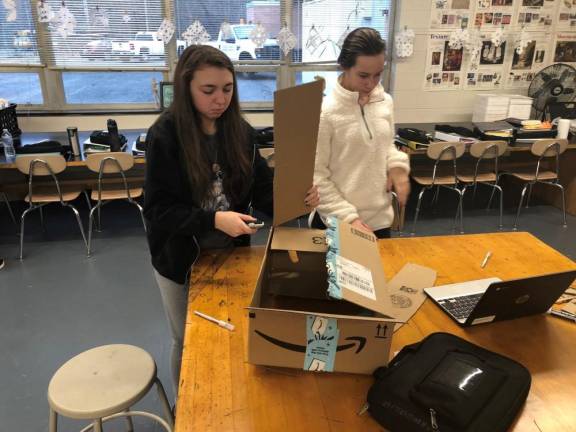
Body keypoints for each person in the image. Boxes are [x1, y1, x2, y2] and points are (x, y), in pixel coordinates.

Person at [144, 45, 319, 393]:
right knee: (186, 338)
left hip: (231, 253)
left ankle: (219, 396)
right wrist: (212, 221)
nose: (220, 99)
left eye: (227, 89)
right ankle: (186, 404)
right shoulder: (164, 136)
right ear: (186, 88)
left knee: (229, 328)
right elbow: (158, 210)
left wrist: (297, 199)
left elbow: (262, 191)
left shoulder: (240, 131)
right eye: (208, 90)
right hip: (180, 259)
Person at [313, 27, 410, 239]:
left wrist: (397, 166)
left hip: (380, 220)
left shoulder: (385, 102)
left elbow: (386, 146)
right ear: (344, 67)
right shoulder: (325, 112)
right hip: (339, 222)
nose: (371, 83)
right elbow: (316, 176)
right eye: (363, 75)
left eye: (378, 75)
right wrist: (348, 218)